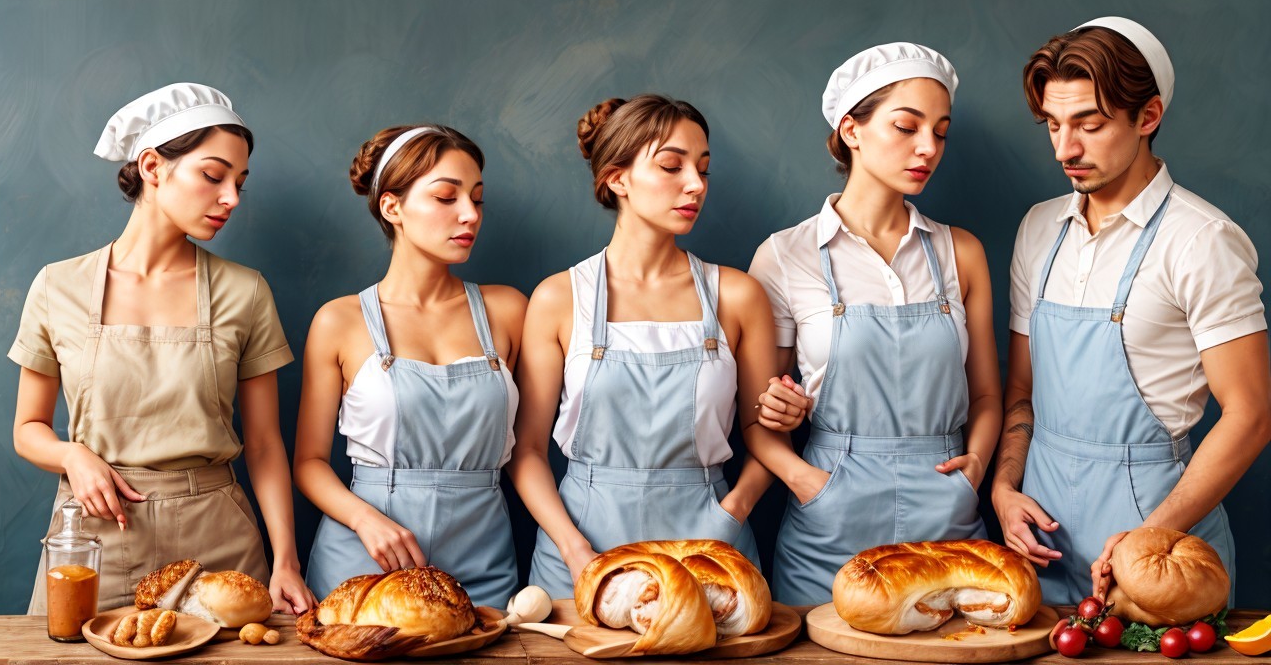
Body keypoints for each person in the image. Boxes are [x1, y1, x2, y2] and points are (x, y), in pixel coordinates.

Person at [992, 17, 1270, 605]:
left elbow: (1251, 415)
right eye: (1054, 125)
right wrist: (1004, 488)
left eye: (1090, 125)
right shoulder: (1038, 229)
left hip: (1158, 553)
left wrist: (1147, 542)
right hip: (1041, 546)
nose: (1065, 149)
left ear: (1148, 117)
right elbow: (1022, 390)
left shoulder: (1202, 241)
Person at [10, 83, 314, 614]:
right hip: (94, 539)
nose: (231, 198)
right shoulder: (58, 286)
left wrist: (285, 560)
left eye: (240, 183)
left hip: (219, 542)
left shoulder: (244, 291)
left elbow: (265, 444)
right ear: (152, 167)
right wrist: (71, 455)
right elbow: (27, 428)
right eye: (213, 176)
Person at [747, 44, 999, 606]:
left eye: (940, 132)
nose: (928, 147)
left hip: (948, 512)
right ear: (851, 130)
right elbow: (758, 418)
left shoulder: (962, 253)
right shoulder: (784, 256)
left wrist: (975, 470)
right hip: (828, 519)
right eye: (907, 127)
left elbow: (985, 393)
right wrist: (810, 482)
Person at [509, 94, 785, 598]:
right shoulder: (558, 298)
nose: (696, 184)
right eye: (672, 166)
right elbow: (526, 451)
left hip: (710, 543)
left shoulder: (738, 296)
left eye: (703, 168)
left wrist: (730, 515)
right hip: (581, 548)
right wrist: (574, 549)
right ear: (617, 179)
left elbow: (767, 435)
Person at [295, 125, 524, 607]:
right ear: (391, 207)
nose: (470, 214)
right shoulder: (339, 321)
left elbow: (532, 448)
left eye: (477, 199)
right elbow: (309, 463)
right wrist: (365, 520)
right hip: (364, 561)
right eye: (446, 197)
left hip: (482, 560)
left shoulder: (507, 311)